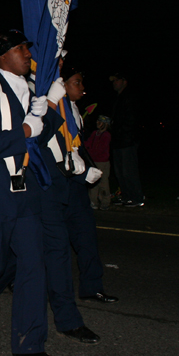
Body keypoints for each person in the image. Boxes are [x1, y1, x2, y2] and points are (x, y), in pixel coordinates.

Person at [0, 29, 68, 356]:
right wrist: (26, 128)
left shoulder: (30, 90)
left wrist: (50, 108)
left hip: (26, 190)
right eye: (19, 48)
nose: (27, 53)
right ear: (2, 55)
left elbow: (39, 139)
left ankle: (30, 343)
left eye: (26, 48)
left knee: (33, 266)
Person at [63, 63, 118, 304]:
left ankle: (91, 286)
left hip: (76, 186)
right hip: (58, 186)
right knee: (41, 244)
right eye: (76, 83)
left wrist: (86, 168)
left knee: (86, 236)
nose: (82, 88)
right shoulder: (53, 110)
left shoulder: (74, 110)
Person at [109, 72, 143, 207]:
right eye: (113, 81)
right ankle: (126, 196)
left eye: (117, 80)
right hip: (118, 140)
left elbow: (131, 120)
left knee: (129, 171)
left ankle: (137, 198)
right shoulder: (118, 98)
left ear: (124, 81)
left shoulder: (130, 97)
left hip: (127, 140)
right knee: (120, 171)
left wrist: (119, 130)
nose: (114, 83)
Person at [85, 115, 112, 210]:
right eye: (97, 121)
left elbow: (100, 149)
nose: (97, 123)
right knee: (92, 183)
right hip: (93, 162)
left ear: (105, 124)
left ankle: (105, 202)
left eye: (100, 122)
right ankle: (93, 202)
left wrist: (90, 151)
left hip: (102, 162)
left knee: (103, 183)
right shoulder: (94, 133)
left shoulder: (106, 135)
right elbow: (87, 143)